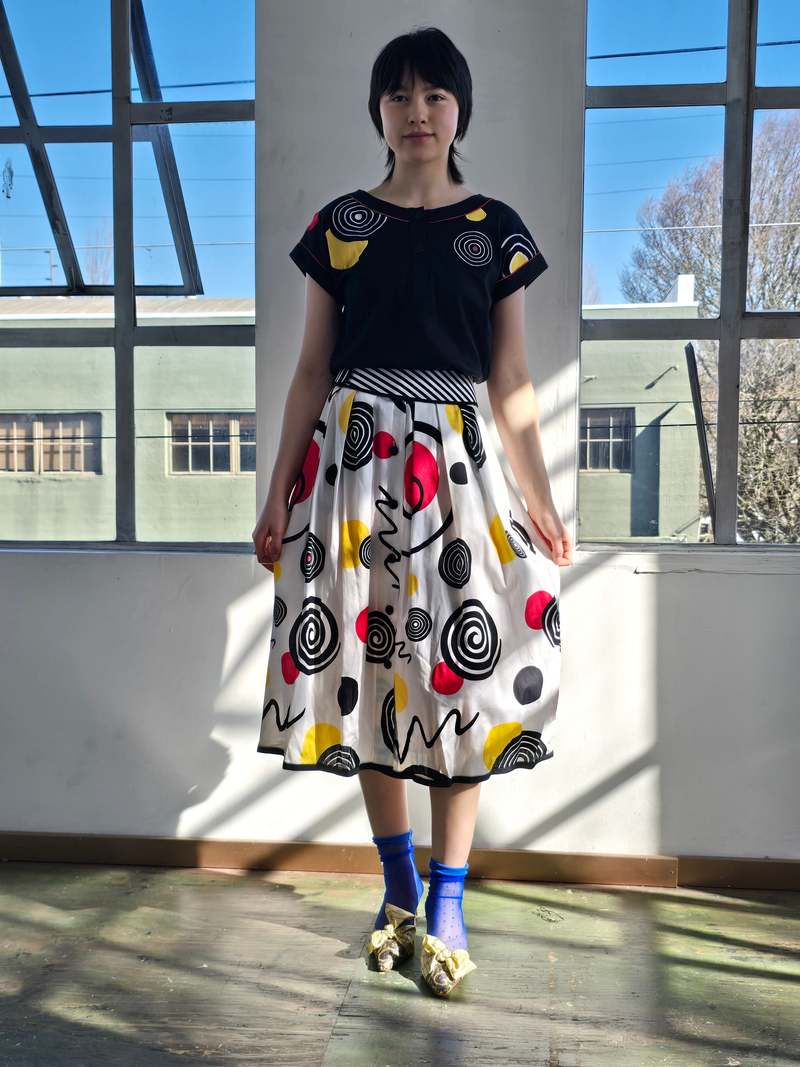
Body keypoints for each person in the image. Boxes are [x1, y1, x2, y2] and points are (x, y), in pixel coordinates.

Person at [252, 26, 573, 997]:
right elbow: (312, 367)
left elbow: (511, 379)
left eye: (435, 94)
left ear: (459, 110)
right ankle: (397, 886)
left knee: (459, 679)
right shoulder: (342, 223)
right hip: (352, 469)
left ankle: (447, 900)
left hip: (458, 471)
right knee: (370, 669)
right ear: (377, 113)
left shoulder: (494, 229)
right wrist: (277, 489)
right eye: (398, 95)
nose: (417, 111)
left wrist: (540, 499)